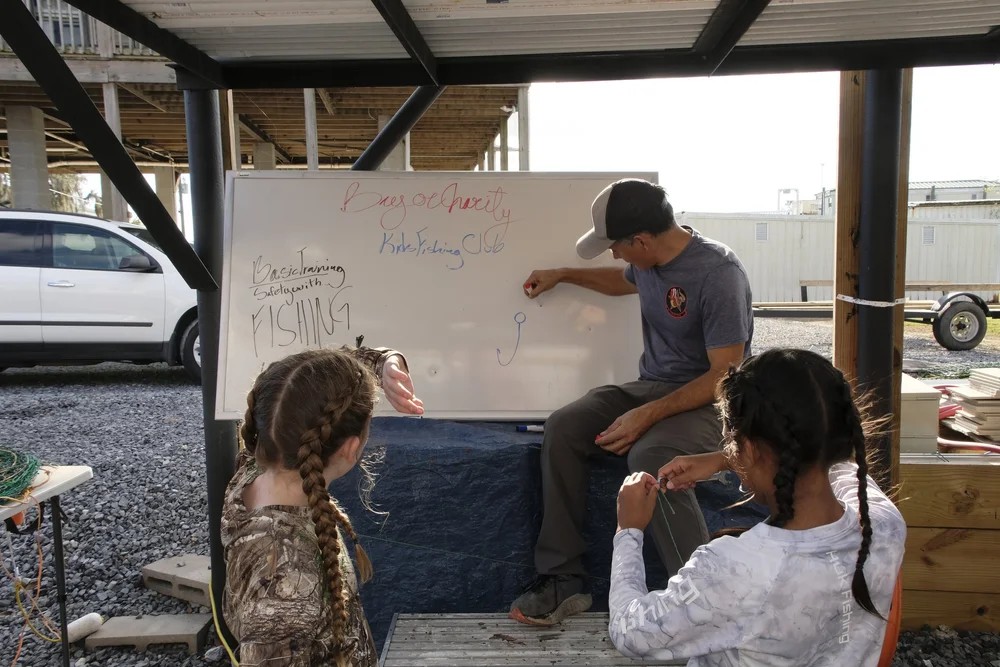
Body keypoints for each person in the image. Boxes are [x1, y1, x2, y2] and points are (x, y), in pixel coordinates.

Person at [510, 178, 753, 625]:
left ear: (640, 239)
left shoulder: (719, 273)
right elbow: (620, 281)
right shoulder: (646, 261)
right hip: (653, 385)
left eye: (616, 246)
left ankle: (699, 602)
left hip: (713, 402)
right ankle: (564, 578)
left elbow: (726, 376)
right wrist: (564, 275)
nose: (614, 254)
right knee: (564, 426)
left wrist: (647, 415)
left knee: (651, 453)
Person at [610, 349, 906, 666]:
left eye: (729, 443)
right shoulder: (884, 523)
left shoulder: (736, 572)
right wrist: (725, 460)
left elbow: (630, 631)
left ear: (749, 449)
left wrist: (628, 530)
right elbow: (838, 466)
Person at [221, 345, 423, 666]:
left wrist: (383, 362)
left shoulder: (255, 466)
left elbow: (305, 380)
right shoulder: (285, 589)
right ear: (352, 448)